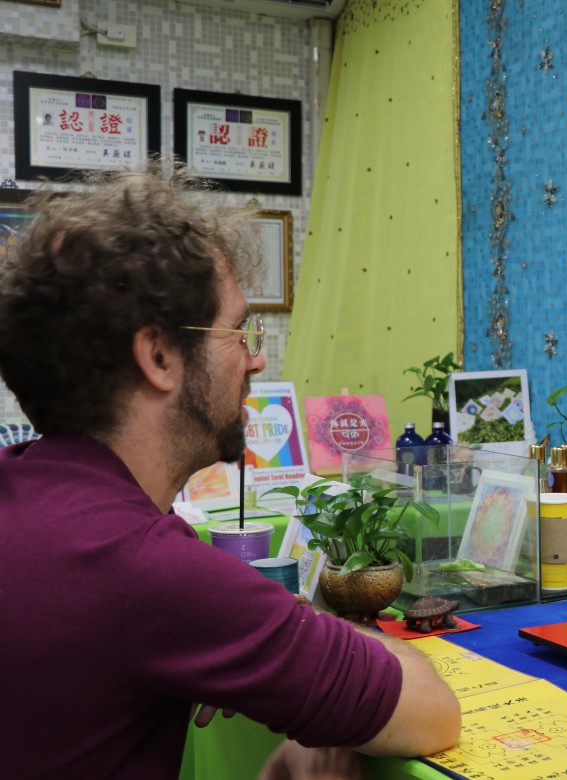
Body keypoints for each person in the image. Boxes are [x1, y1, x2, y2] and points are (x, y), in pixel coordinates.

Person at [0, 162, 461, 777]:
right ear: (159, 355)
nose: (258, 357)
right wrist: (286, 627)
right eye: (239, 330)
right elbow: (431, 711)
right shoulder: (144, 569)